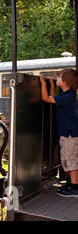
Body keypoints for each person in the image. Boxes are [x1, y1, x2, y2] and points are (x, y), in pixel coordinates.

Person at [40, 69, 78, 197]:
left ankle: (74, 187)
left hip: (70, 135)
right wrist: (51, 84)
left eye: (59, 78)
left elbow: (46, 98)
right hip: (67, 133)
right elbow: (54, 98)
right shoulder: (66, 95)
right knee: (67, 160)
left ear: (65, 82)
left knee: (71, 161)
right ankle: (71, 183)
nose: (58, 79)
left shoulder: (70, 96)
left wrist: (43, 84)